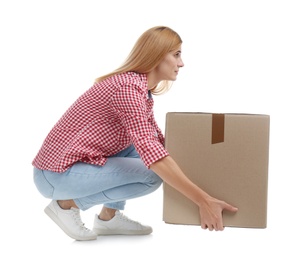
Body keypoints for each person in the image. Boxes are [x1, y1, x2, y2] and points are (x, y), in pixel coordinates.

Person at [32, 25, 238, 241]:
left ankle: (108, 218)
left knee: (141, 149)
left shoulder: (141, 90)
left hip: (72, 166)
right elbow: (152, 154)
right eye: (176, 54)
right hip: (55, 175)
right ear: (157, 55)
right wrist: (203, 200)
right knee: (152, 175)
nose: (181, 63)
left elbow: (156, 142)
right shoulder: (127, 89)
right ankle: (66, 205)